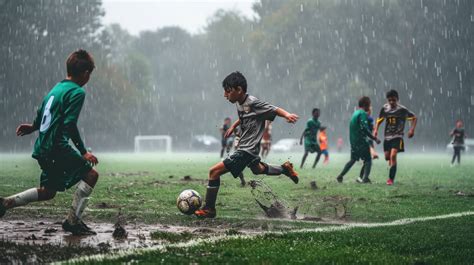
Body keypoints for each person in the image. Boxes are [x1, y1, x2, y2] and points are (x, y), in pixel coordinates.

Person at [0, 50, 99, 235]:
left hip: (43, 147)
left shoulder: (57, 88)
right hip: (56, 147)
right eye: (89, 74)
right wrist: (83, 151)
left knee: (48, 191)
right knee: (91, 175)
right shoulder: (77, 92)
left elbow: (44, 108)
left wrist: (33, 126)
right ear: (86, 74)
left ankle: (5, 203)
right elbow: (69, 124)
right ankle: (73, 222)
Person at [195, 71, 299, 218]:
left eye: (228, 91)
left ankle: (209, 209)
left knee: (214, 172)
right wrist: (234, 126)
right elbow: (243, 115)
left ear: (239, 89)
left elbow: (274, 109)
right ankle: (284, 169)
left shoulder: (254, 102)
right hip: (249, 148)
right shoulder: (239, 103)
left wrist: (287, 115)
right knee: (257, 169)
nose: (225, 95)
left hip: (246, 150)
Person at [374, 89, 417, 185]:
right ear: (387, 100)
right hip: (387, 137)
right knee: (387, 157)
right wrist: (376, 129)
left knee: (393, 156)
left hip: (398, 136)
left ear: (397, 99)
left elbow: (414, 118)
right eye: (389, 100)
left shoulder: (402, 109)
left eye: (393, 100)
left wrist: (411, 130)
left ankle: (390, 179)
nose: (391, 102)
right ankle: (391, 163)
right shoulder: (385, 108)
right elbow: (379, 119)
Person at [336, 96, 381, 184]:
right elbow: (364, 128)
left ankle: (340, 175)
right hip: (361, 141)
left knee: (353, 160)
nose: (369, 107)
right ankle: (365, 178)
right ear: (365, 105)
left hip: (353, 141)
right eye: (369, 105)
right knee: (368, 160)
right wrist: (374, 138)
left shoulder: (355, 113)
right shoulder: (362, 113)